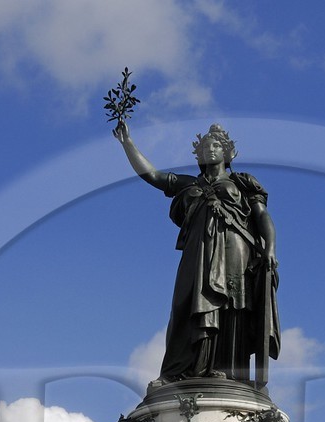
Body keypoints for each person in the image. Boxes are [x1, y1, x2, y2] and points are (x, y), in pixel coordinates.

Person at [114, 120, 280, 387]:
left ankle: (228, 371)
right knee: (186, 302)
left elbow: (263, 217)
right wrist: (128, 144)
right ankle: (179, 370)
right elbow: (154, 177)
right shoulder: (189, 184)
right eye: (205, 147)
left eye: (216, 145)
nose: (210, 150)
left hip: (235, 249)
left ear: (227, 153)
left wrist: (270, 248)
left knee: (231, 306)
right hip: (197, 251)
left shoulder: (243, 183)